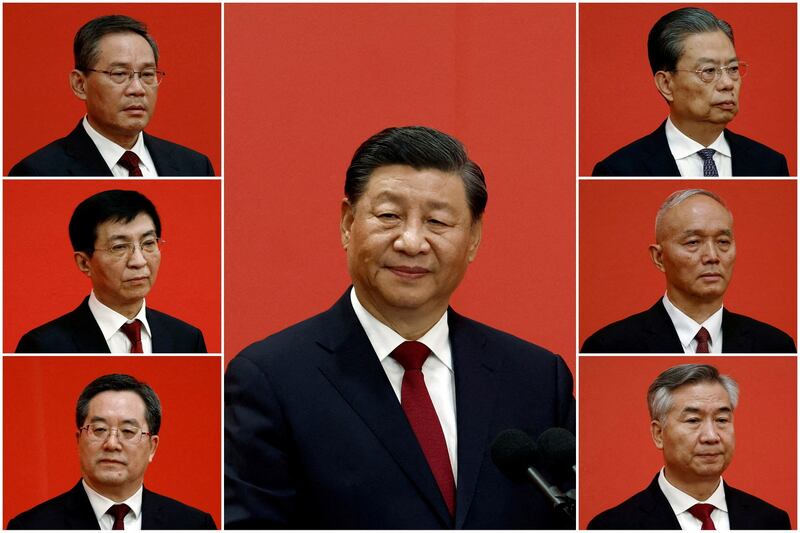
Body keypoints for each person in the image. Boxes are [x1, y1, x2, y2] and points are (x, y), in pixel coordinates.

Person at [224, 126, 575, 529]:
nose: (411, 242)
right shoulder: (270, 379)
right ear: (347, 223)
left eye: (437, 221)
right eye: (389, 216)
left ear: (473, 238)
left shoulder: (536, 378)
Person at [582, 189, 795, 353]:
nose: (712, 256)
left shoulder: (775, 345)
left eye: (723, 241)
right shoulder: (610, 345)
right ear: (659, 257)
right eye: (693, 242)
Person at [588, 364, 790, 529]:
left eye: (721, 419)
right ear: (659, 434)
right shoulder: (614, 525)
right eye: (693, 420)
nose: (711, 436)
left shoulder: (771, 521)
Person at [592, 7, 788, 177]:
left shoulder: (770, 164)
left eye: (733, 69)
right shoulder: (619, 170)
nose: (727, 83)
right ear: (666, 84)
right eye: (709, 71)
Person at [9, 15, 214, 177]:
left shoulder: (195, 166)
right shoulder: (38, 171)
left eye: (147, 75)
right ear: (80, 84)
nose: (137, 88)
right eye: (119, 74)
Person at [7, 374, 216, 529]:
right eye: (99, 430)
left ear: (152, 447)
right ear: (79, 440)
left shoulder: (194, 524)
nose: (112, 443)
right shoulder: (29, 526)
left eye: (127, 431)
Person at [15, 189, 206, 353]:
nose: (138, 261)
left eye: (148, 243)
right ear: (84, 263)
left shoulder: (187, 339)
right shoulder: (43, 346)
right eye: (119, 247)